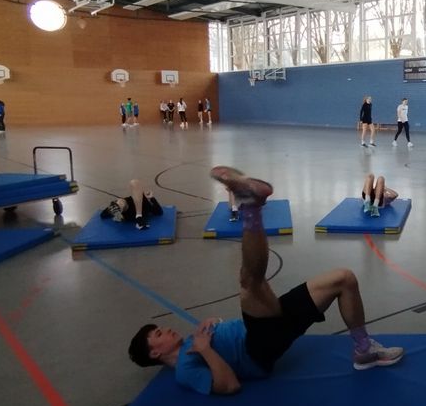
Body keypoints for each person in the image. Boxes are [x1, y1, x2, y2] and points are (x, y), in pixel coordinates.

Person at [127, 166, 404, 393]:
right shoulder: (185, 369)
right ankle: (250, 207)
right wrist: (206, 350)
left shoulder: (192, 340)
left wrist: (216, 326)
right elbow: (229, 385)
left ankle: (364, 350)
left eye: (160, 328)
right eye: (159, 335)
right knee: (250, 283)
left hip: (266, 328)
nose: (166, 330)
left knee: (344, 279)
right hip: (256, 351)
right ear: (155, 354)